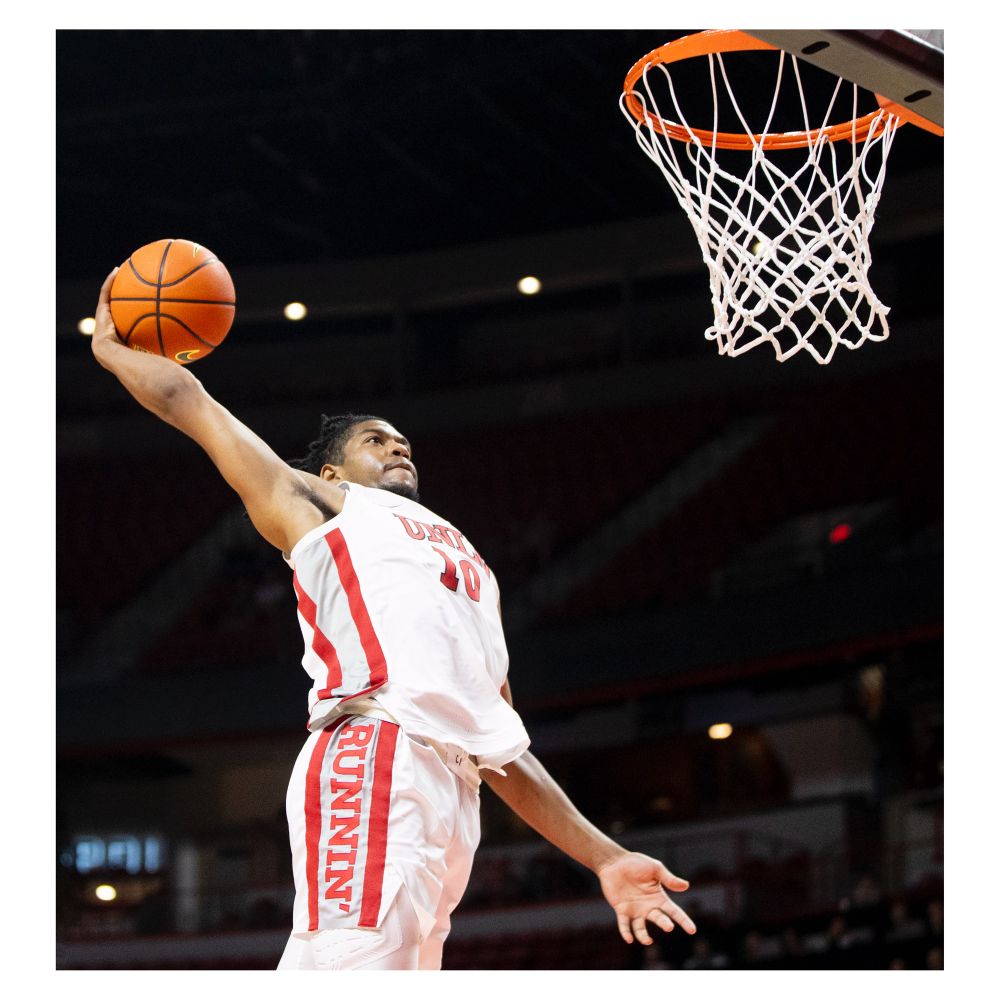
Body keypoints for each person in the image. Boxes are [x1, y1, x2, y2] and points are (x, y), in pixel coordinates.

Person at [89, 268, 698, 970]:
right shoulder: (320, 507)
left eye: (403, 441)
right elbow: (193, 404)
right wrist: (112, 351)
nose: (399, 447)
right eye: (376, 440)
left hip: (453, 790)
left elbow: (499, 744)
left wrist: (607, 857)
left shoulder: (472, 566)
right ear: (333, 472)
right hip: (376, 752)